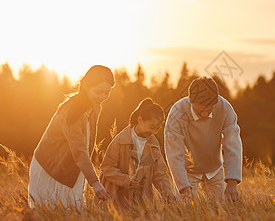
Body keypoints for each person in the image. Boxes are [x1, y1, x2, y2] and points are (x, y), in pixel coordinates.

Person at [28, 65, 114, 209]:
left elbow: (86, 143)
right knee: (52, 213)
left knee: (72, 212)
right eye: (99, 92)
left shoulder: (95, 106)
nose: (102, 97)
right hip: (50, 167)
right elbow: (79, 151)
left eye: (107, 92)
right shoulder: (72, 112)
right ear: (86, 86)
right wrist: (95, 183)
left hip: (72, 164)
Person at [164, 76, 243, 201]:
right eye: (200, 111)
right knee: (185, 210)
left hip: (214, 169)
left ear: (216, 101)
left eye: (209, 110)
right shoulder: (177, 113)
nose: (205, 115)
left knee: (220, 209)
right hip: (187, 171)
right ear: (190, 100)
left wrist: (232, 181)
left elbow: (233, 144)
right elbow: (174, 152)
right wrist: (183, 186)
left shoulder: (225, 108)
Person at [99, 98, 175, 208]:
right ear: (140, 120)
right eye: (152, 127)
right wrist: (126, 180)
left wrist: (168, 194)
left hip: (141, 201)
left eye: (157, 129)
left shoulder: (154, 144)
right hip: (115, 200)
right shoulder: (121, 140)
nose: (153, 132)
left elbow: (160, 174)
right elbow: (107, 168)